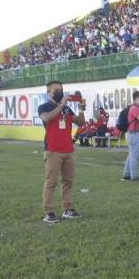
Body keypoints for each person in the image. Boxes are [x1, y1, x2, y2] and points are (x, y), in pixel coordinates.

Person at [38, 81, 85, 223]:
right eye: (57, 90)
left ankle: (68, 209)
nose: (60, 92)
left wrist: (81, 109)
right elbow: (46, 117)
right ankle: (49, 212)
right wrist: (61, 104)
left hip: (68, 149)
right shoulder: (44, 107)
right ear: (49, 93)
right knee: (51, 182)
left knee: (68, 181)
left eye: (62, 89)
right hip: (53, 150)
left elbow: (80, 122)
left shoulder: (67, 108)